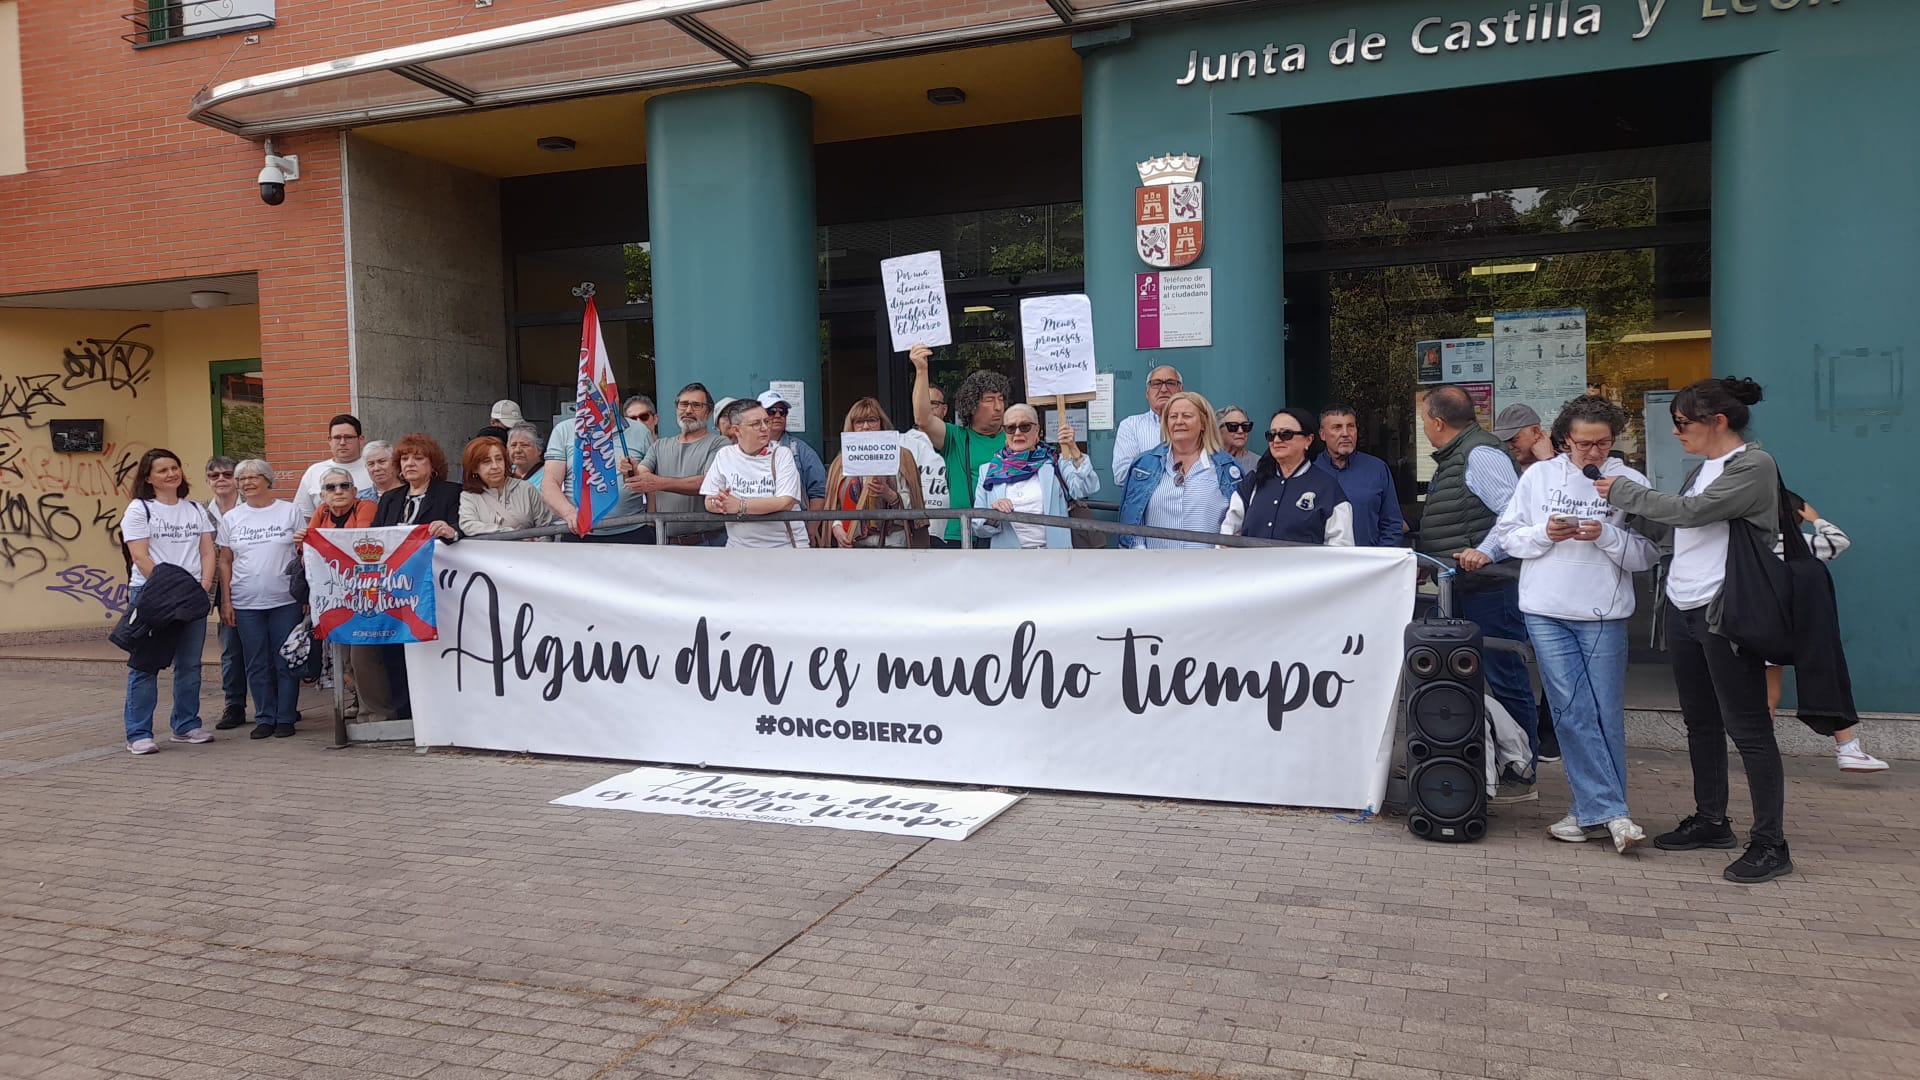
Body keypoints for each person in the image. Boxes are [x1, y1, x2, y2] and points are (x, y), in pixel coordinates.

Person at [1596, 376, 1794, 884]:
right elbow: (1678, 525)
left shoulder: (1754, 465)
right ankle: (1711, 820)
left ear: (1718, 422)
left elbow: (1692, 513)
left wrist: (1625, 491)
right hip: (1687, 609)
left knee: (1748, 728)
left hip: (1725, 612)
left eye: (1682, 424)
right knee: (1701, 721)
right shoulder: (1701, 469)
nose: (1678, 433)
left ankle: (1771, 842)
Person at [1489, 396, 1660, 854]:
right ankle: (1611, 812)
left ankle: (1594, 812)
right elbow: (1509, 536)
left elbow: (1647, 554)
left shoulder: (1630, 481)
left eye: (1602, 443)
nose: (1593, 453)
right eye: (1583, 443)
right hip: (1546, 608)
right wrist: (1546, 533)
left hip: (1603, 610)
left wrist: (1605, 535)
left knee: (1603, 712)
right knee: (1570, 710)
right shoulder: (1540, 476)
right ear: (1564, 439)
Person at [1422, 386, 1539, 801]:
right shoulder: (1460, 455)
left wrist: (1484, 553)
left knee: (1505, 676)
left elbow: (1514, 512)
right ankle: (1498, 761)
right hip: (1462, 585)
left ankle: (1522, 772)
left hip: (1490, 586)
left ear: (1437, 422)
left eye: (1424, 420)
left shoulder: (1479, 455)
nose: (1424, 428)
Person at [1763, 494, 1886, 772]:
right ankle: (1846, 748)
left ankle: (1762, 752)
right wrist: (1816, 518)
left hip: (1767, 629)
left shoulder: (1758, 545)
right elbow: (1840, 541)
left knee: (1769, 695)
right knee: (1828, 677)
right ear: (1798, 515)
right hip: (1804, 629)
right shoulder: (1804, 543)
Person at [120, 449, 217, 754]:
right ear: (148, 477)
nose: (171, 474)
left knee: (189, 665)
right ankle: (138, 733)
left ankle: (186, 725)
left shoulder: (195, 510)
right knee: (146, 666)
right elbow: (140, 555)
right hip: (153, 595)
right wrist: (169, 588)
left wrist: (202, 586)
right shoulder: (139, 510)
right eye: (162, 470)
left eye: (175, 468)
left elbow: (207, 552)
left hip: (191, 597)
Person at [216, 459, 304, 741]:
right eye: (242, 479)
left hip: (285, 600)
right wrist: (226, 602)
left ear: (268, 480)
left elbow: (304, 555)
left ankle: (286, 717)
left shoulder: (290, 511)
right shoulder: (231, 518)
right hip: (246, 602)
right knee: (256, 662)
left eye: (254, 477)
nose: (247, 483)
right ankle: (265, 717)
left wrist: (306, 597)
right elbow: (225, 561)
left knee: (286, 659)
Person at [1117, 391, 1243, 549]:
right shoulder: (1144, 465)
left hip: (1208, 569)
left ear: (1203, 423)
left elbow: (1239, 524)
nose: (1179, 421)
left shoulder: (1228, 468)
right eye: (1173, 416)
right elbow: (1131, 524)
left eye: (1187, 416)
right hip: (1155, 568)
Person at [911, 343, 1009, 547]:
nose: (998, 407)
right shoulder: (955, 438)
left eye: (1001, 399)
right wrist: (921, 370)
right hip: (962, 534)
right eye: (990, 400)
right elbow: (923, 419)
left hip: (1008, 532)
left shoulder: (1014, 438)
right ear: (972, 405)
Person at [971, 404, 1098, 549]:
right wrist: (993, 516)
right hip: (1008, 563)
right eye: (1011, 428)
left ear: (1037, 430)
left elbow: (1086, 488)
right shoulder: (988, 470)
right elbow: (978, 528)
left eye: (1025, 426)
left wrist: (1073, 448)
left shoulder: (1056, 462)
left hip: (1054, 559)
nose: (1017, 433)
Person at [1223, 408, 1352, 545]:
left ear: (1308, 440)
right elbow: (1227, 534)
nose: (1277, 440)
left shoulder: (1327, 488)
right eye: (1272, 435)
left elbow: (1341, 548)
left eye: (1286, 434)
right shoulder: (1253, 481)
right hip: (1254, 565)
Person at [630, 383, 728, 547]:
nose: (688, 410)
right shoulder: (659, 445)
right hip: (669, 543)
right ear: (676, 408)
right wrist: (630, 471)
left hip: (710, 541)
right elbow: (641, 476)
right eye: (683, 404)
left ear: (709, 412)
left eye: (696, 405)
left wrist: (660, 483)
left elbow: (708, 483)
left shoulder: (720, 444)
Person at [700, 402, 810, 548]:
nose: (764, 428)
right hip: (738, 549)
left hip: (784, 548)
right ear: (736, 430)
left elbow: (786, 502)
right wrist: (718, 504)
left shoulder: (782, 454)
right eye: (756, 424)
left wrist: (740, 505)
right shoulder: (724, 455)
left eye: (766, 421)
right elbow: (709, 500)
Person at [539, 402, 652, 543]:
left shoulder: (640, 431)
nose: (604, 402)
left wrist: (652, 521)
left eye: (609, 395)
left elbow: (652, 482)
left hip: (633, 531)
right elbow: (550, 482)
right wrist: (569, 513)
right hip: (578, 533)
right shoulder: (564, 430)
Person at [823, 398, 927, 548]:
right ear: (851, 427)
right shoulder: (840, 462)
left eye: (872, 420)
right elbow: (834, 505)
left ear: (882, 424)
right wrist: (836, 527)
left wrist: (890, 496)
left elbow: (915, 502)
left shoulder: (901, 456)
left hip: (894, 542)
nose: (865, 427)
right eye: (859, 422)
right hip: (853, 543)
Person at [199, 456, 250, 731]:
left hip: (252, 582)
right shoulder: (199, 512)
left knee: (262, 647)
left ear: (237, 480)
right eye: (214, 475)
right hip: (218, 588)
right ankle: (234, 704)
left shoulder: (252, 506)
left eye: (226, 474)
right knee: (231, 648)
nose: (220, 479)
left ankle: (275, 703)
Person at [1316, 404, 1404, 548]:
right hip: (1324, 565)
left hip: (1371, 563)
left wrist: (1380, 560)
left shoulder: (1377, 469)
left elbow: (1392, 524)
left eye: (1350, 426)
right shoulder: (1311, 472)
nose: (1345, 433)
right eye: (1337, 427)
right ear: (1322, 434)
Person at [459, 436, 557, 536]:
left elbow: (545, 526)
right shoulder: (469, 496)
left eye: (499, 459)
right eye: (487, 461)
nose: (495, 466)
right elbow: (468, 525)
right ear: (474, 468)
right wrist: (511, 533)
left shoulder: (525, 488)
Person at [1111, 365, 1183, 487]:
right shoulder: (1131, 426)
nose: (1164, 389)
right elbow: (1122, 475)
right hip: (1147, 506)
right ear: (1147, 393)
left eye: (1171, 383)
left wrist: (1144, 465)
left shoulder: (1195, 424)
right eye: (1156, 383)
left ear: (1181, 390)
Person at [758, 389, 828, 513]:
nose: (778, 416)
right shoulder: (746, 449)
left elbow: (819, 491)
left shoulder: (801, 449)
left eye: (783, 412)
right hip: (757, 525)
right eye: (771, 411)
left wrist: (811, 528)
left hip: (793, 526)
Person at [293, 413, 374, 519]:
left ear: (361, 439)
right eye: (337, 438)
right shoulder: (314, 472)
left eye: (348, 437)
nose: (342, 443)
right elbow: (303, 516)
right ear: (329, 440)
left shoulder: (375, 469)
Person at [1492, 403, 1556, 469]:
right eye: (1503, 441)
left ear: (1535, 432)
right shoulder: (1498, 467)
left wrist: (1547, 459)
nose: (1509, 447)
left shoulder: (1564, 459)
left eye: (1513, 440)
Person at [1218, 405, 1260, 472]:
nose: (1241, 431)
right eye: (1233, 426)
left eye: (1245, 426)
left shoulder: (1260, 464)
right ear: (1219, 430)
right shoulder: (1209, 462)